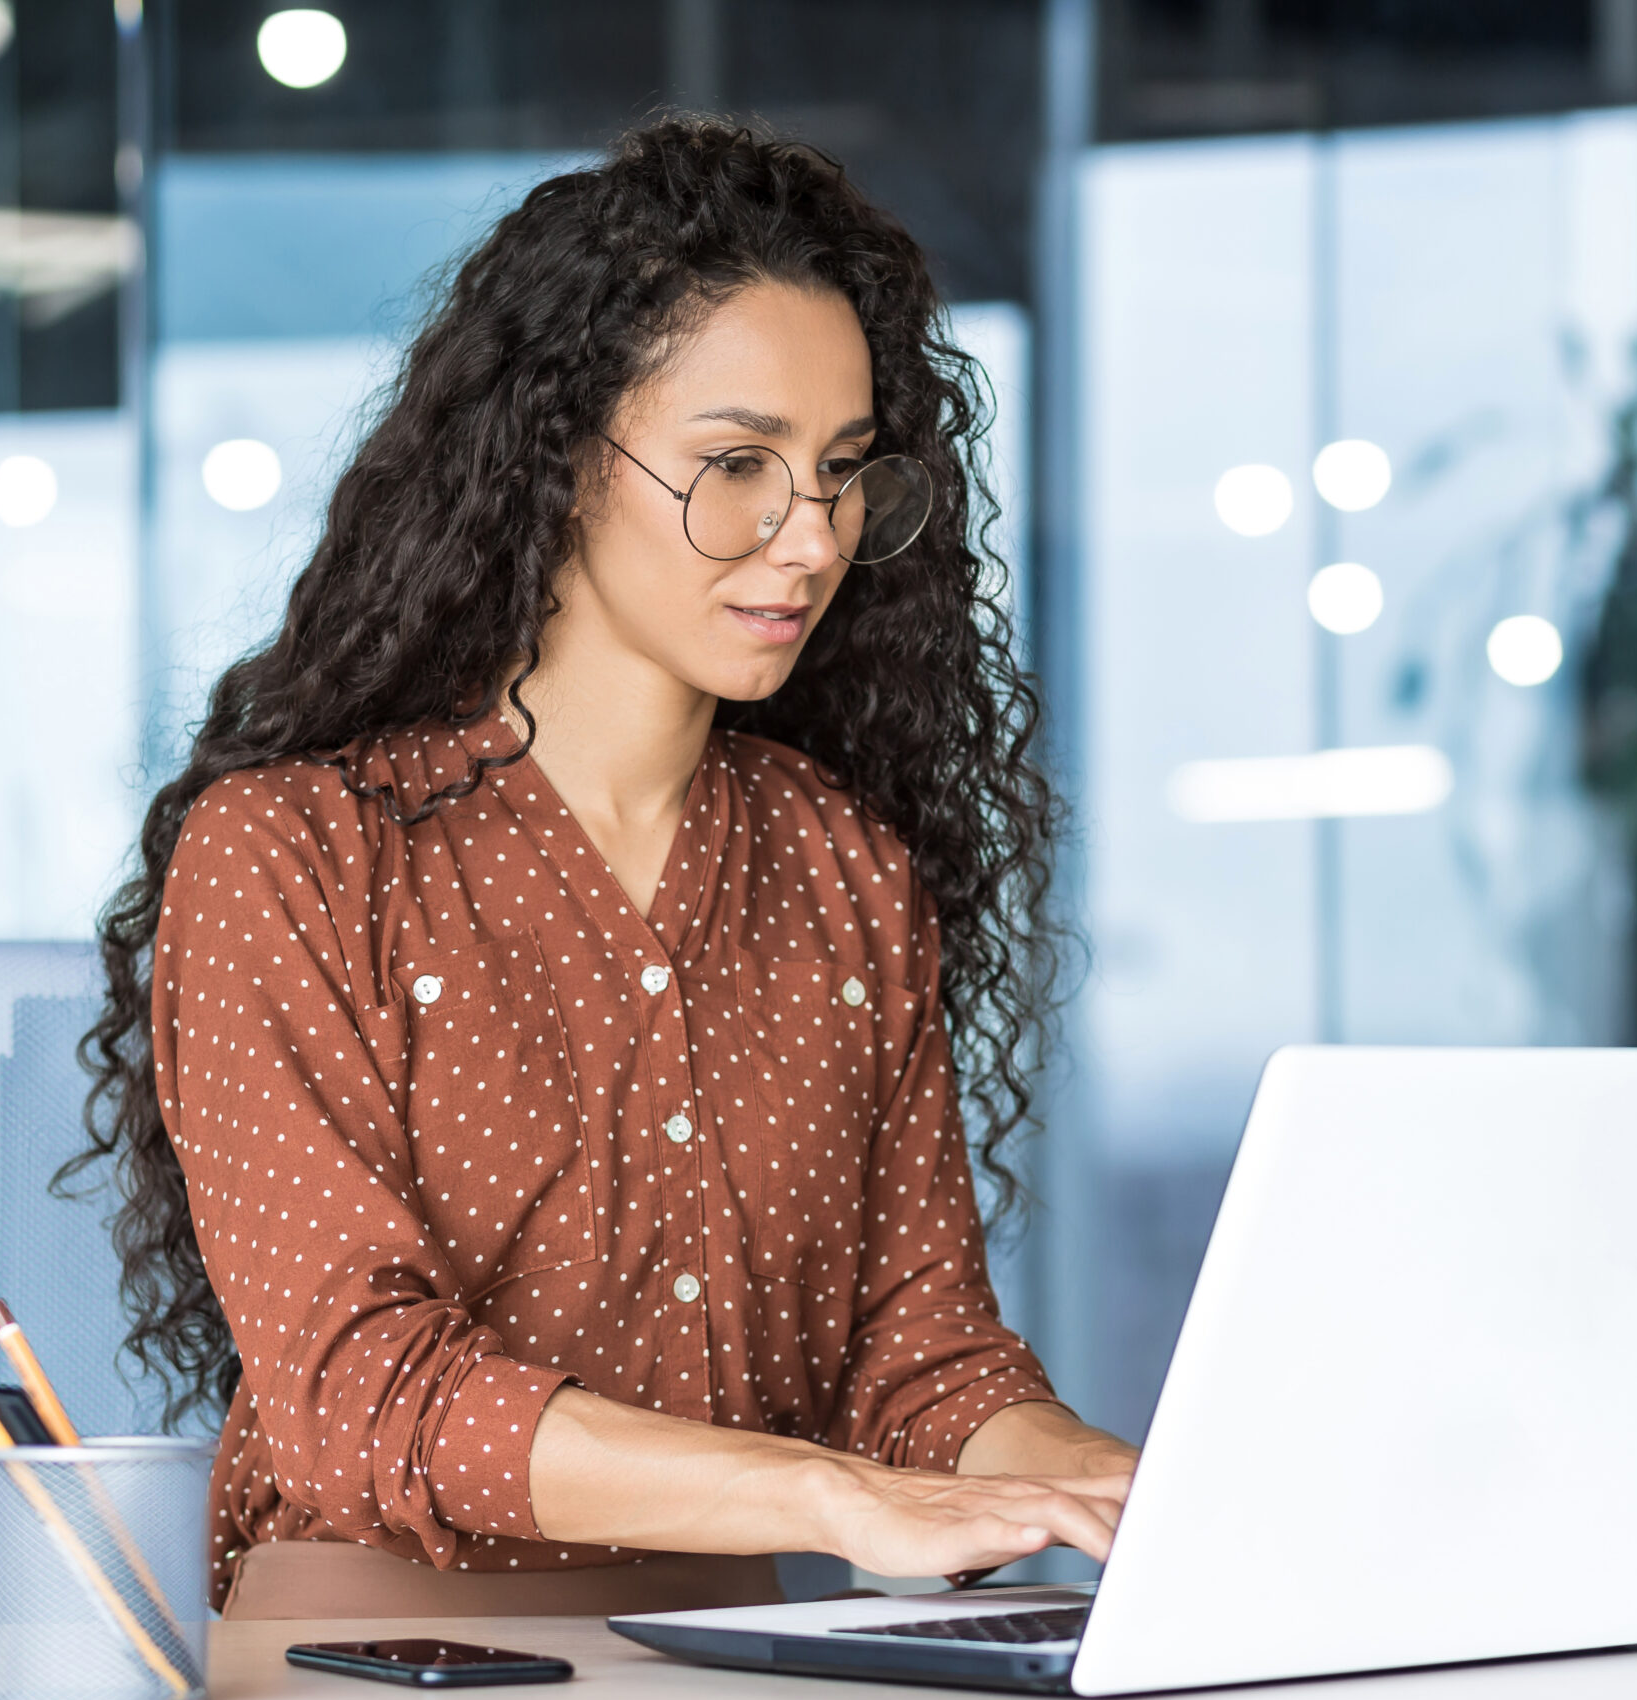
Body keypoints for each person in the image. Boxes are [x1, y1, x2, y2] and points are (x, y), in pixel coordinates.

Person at [73, 118, 1135, 1620]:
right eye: (736, 466)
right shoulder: (294, 857)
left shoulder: (846, 872)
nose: (811, 538)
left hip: (737, 1640)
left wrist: (1104, 1485)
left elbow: (925, 1362)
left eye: (841, 473)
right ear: (559, 457)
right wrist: (825, 1491)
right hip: (373, 1649)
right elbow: (360, 1391)